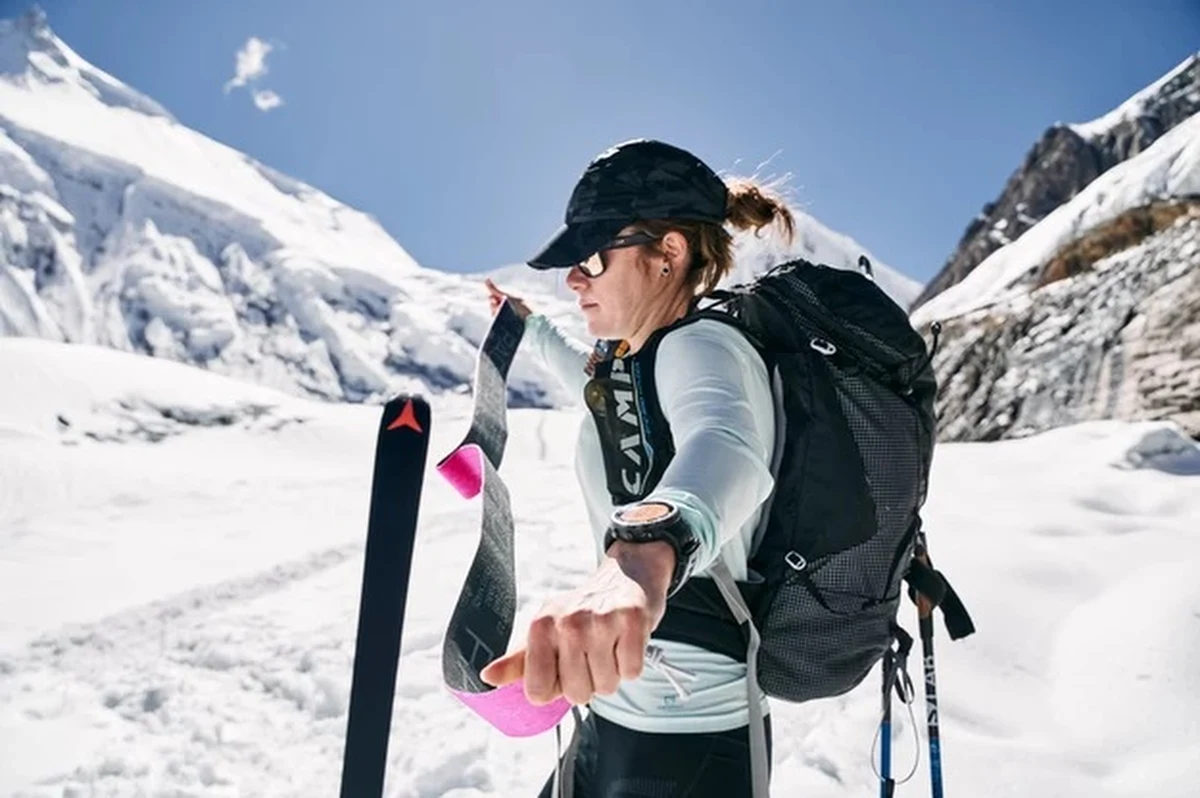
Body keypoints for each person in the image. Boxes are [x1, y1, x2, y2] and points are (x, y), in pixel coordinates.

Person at [481, 138, 796, 797]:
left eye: (593, 257)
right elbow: (595, 393)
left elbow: (726, 442)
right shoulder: (635, 367)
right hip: (615, 717)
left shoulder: (704, 345)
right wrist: (528, 328)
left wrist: (642, 553)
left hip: (692, 746)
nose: (575, 277)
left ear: (669, 254)